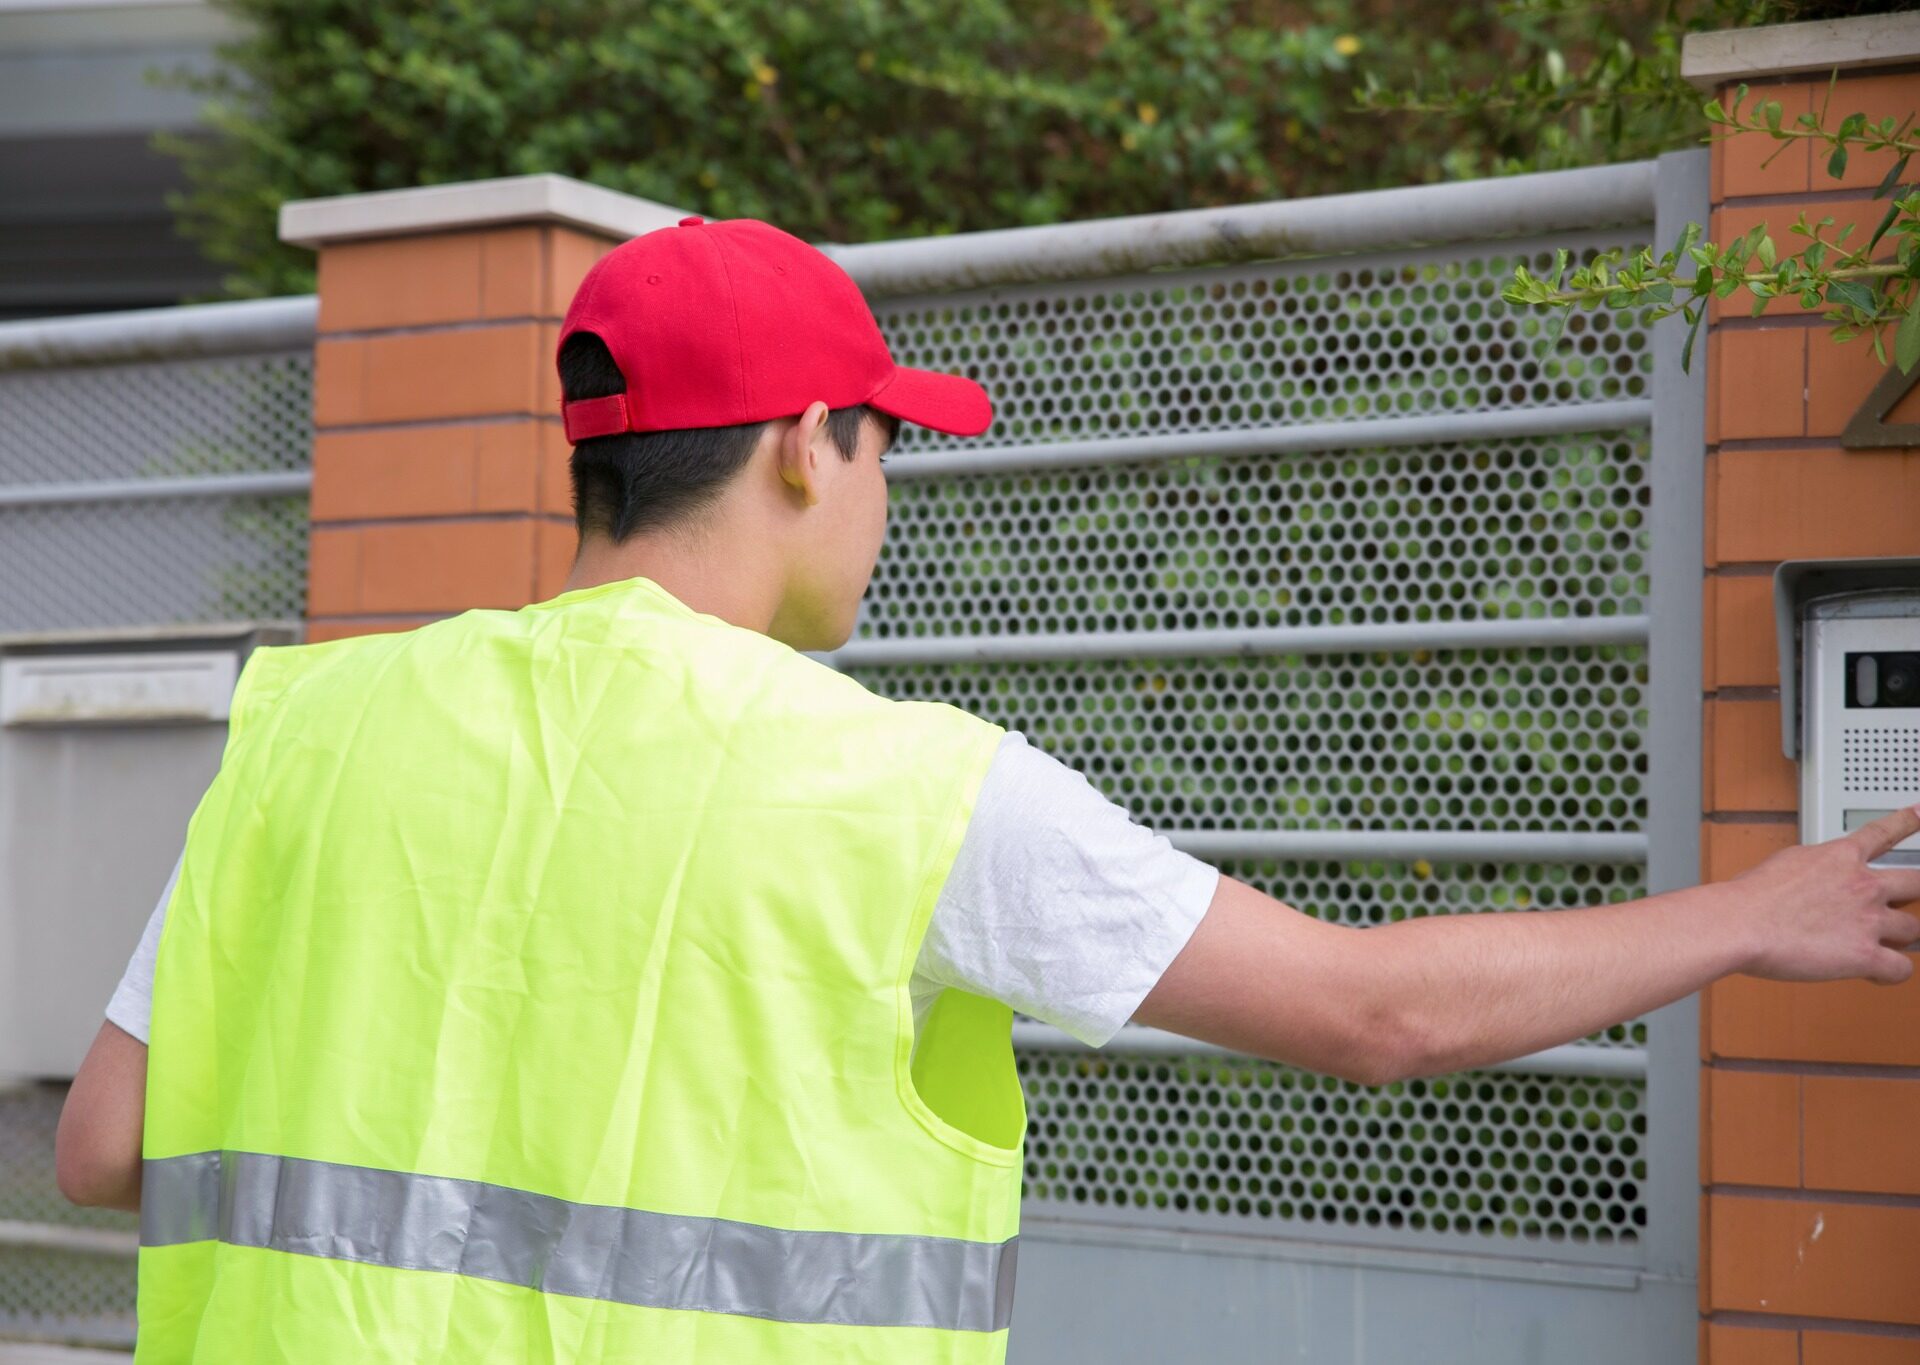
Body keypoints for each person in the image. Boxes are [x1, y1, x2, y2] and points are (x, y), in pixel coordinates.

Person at [55, 215, 1920, 1364]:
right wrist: (1768, 912)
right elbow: (1383, 1011)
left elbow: (107, 1148)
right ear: (804, 448)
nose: (885, 497)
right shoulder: (903, 789)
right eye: (883, 448)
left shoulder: (311, 729)